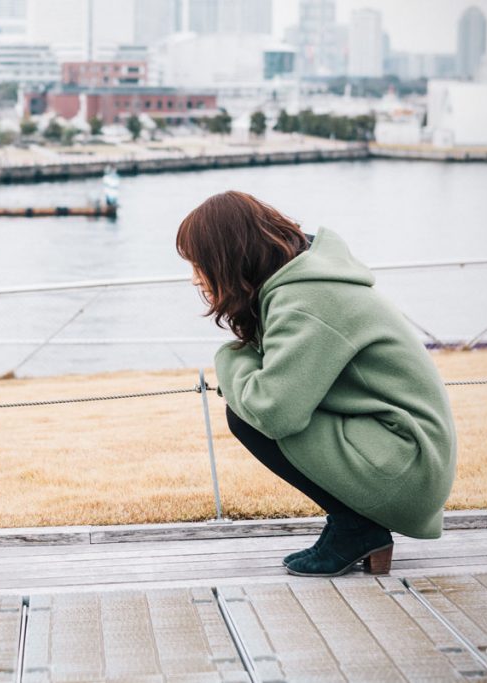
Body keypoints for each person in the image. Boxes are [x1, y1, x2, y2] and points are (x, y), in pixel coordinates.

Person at [176, 191, 456, 577]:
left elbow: (273, 412)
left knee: (249, 416)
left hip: (406, 464)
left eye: (198, 263)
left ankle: (356, 528)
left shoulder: (306, 300)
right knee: (251, 406)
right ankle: (351, 525)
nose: (195, 277)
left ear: (227, 257)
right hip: (406, 451)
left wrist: (229, 357)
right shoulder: (306, 281)